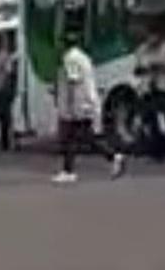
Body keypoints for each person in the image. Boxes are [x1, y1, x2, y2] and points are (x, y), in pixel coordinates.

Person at [53, 31, 127, 184]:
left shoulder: (70, 58)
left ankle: (69, 171)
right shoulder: (83, 57)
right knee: (84, 137)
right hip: (88, 101)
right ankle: (113, 157)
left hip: (79, 103)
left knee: (71, 138)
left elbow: (73, 81)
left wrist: (70, 107)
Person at [135, 16, 165, 162]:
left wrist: (161, 65)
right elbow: (137, 69)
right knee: (149, 121)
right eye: (149, 36)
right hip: (147, 91)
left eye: (154, 36)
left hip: (163, 89)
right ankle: (154, 153)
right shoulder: (142, 50)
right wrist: (143, 69)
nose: (151, 39)